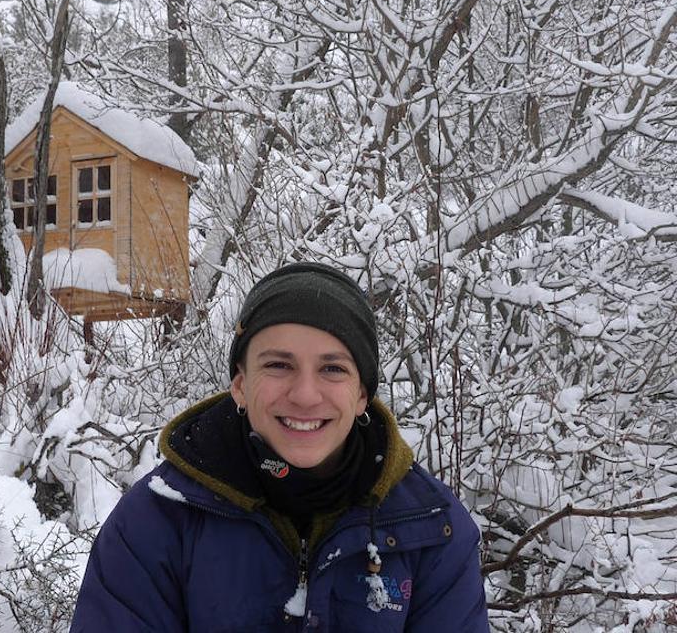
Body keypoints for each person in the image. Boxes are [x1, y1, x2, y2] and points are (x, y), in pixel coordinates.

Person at [71, 262, 489, 632]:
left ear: (362, 394)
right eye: (278, 365)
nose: (306, 395)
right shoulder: (157, 522)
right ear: (240, 384)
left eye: (332, 368)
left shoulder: (434, 528)